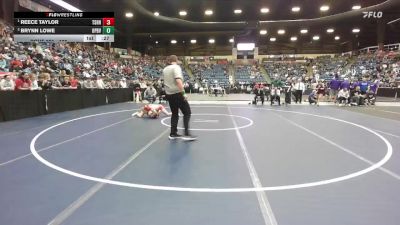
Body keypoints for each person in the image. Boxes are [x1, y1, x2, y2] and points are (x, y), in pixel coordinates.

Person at [163, 55, 196, 141]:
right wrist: (184, 93)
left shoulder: (165, 69)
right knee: (187, 112)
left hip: (169, 94)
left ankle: (173, 133)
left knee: (174, 113)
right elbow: (178, 81)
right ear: (176, 60)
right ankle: (186, 135)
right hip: (177, 93)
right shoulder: (176, 67)